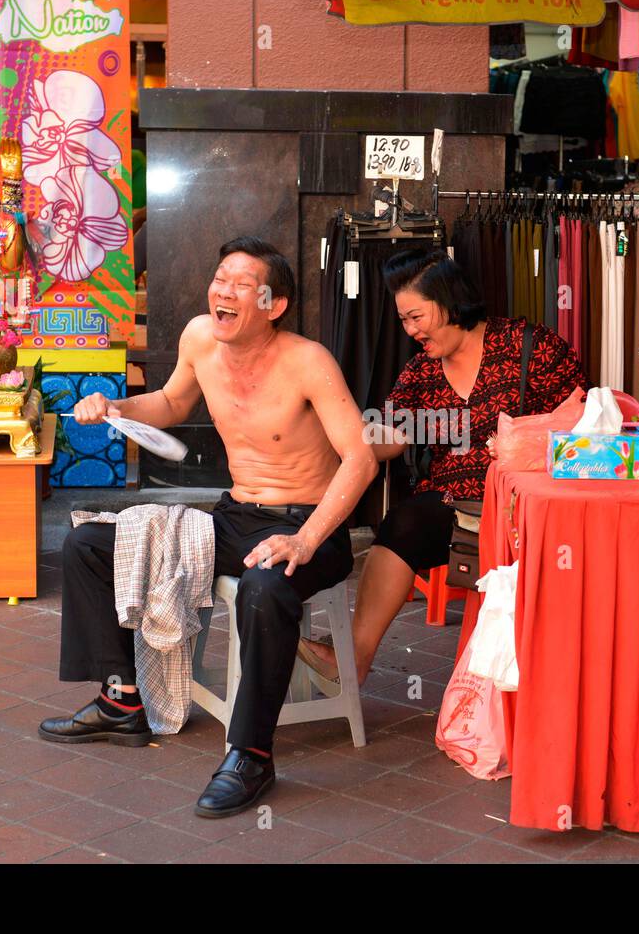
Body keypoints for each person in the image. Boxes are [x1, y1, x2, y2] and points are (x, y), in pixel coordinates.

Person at [39, 236, 378, 818]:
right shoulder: (200, 337)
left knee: (264, 588)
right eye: (220, 278)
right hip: (235, 514)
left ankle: (250, 753)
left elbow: (362, 458)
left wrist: (306, 538)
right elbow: (171, 403)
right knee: (90, 543)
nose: (223, 291)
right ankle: (121, 702)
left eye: (242, 285)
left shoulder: (307, 361)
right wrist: (115, 405)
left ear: (274, 304)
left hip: (307, 526)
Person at [297, 249, 588, 685]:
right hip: (457, 507)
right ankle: (354, 658)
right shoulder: (421, 373)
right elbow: (392, 436)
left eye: (416, 316)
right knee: (405, 521)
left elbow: (584, 421)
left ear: (450, 301)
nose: (410, 330)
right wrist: (336, 439)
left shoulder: (530, 346)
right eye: (403, 321)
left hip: (528, 503)